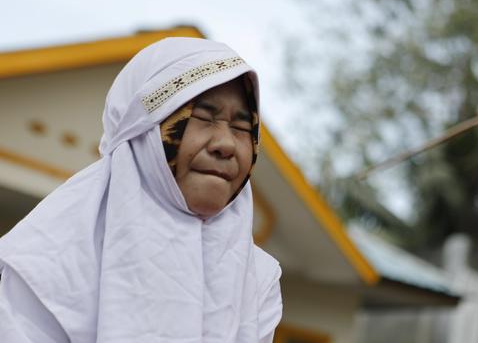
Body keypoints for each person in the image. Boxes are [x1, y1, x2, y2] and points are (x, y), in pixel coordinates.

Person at [0, 38, 282, 342]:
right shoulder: (45, 258)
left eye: (242, 127)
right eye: (203, 117)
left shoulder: (257, 280)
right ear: (142, 130)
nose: (226, 144)